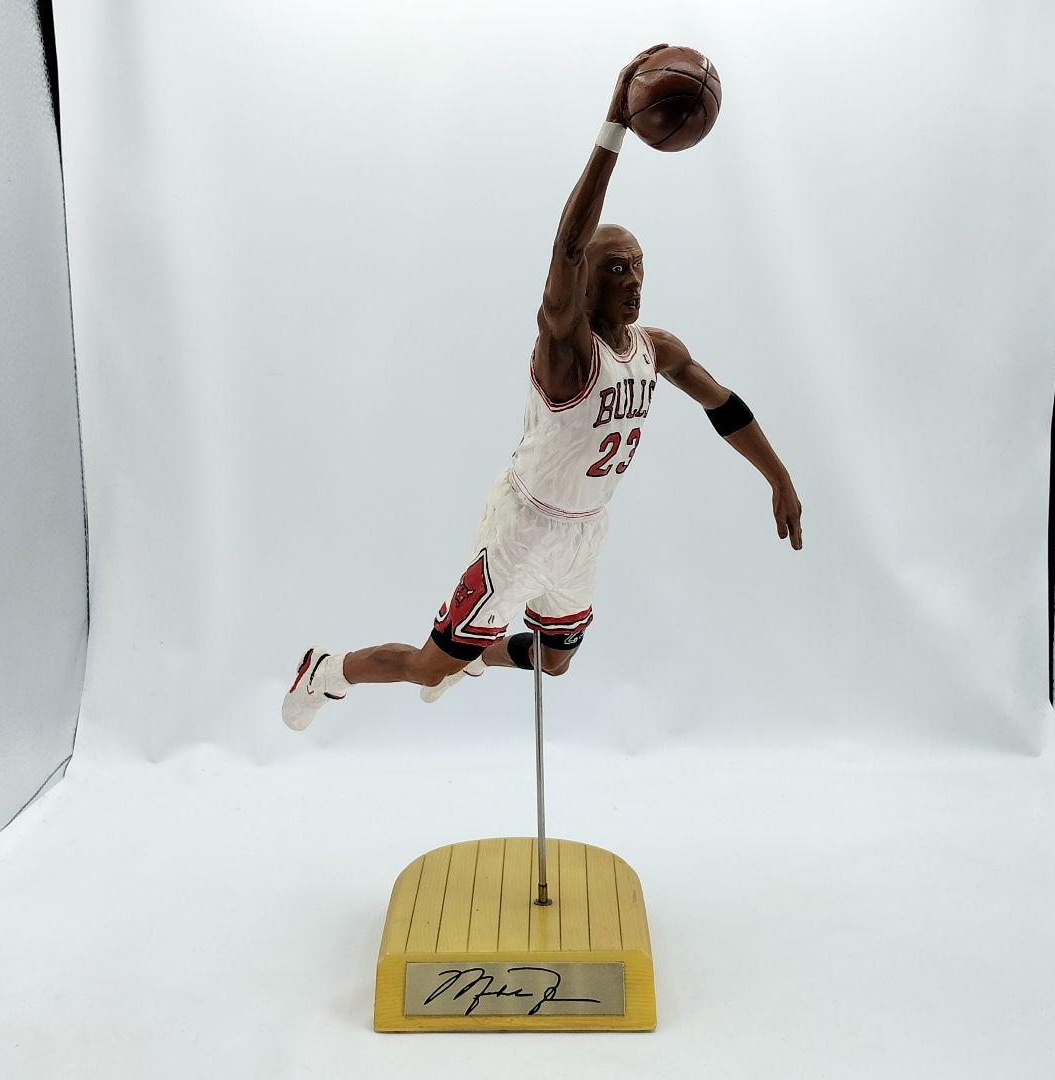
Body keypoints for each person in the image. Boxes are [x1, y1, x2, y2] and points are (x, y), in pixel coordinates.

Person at [282, 44, 803, 732]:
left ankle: (476, 654)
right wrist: (614, 128)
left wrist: (778, 477)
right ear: (582, 283)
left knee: (555, 662)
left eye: (638, 266)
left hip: (586, 531)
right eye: (615, 268)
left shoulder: (657, 350)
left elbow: (724, 406)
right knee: (428, 668)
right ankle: (328, 670)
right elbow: (567, 245)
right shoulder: (567, 350)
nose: (633, 279)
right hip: (524, 529)